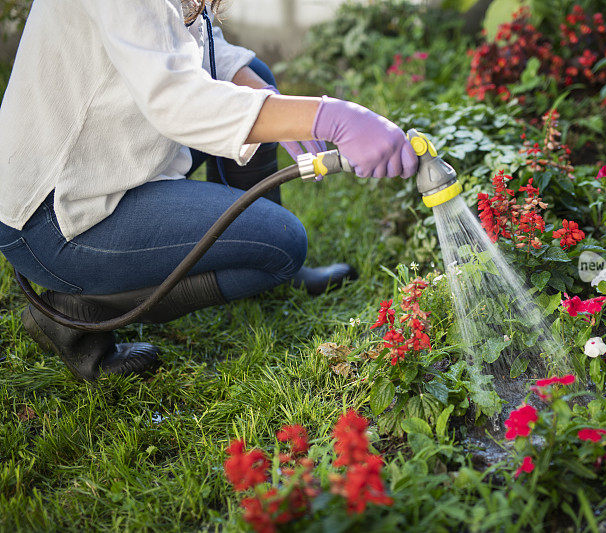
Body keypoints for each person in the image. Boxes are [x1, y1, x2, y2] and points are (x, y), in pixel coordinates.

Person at [0, 0, 419, 381]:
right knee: (283, 245)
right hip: (55, 214)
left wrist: (266, 97)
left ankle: (255, 267)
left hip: (101, 159)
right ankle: (75, 313)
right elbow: (178, 102)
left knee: (256, 82)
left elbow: (190, 45)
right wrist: (331, 116)